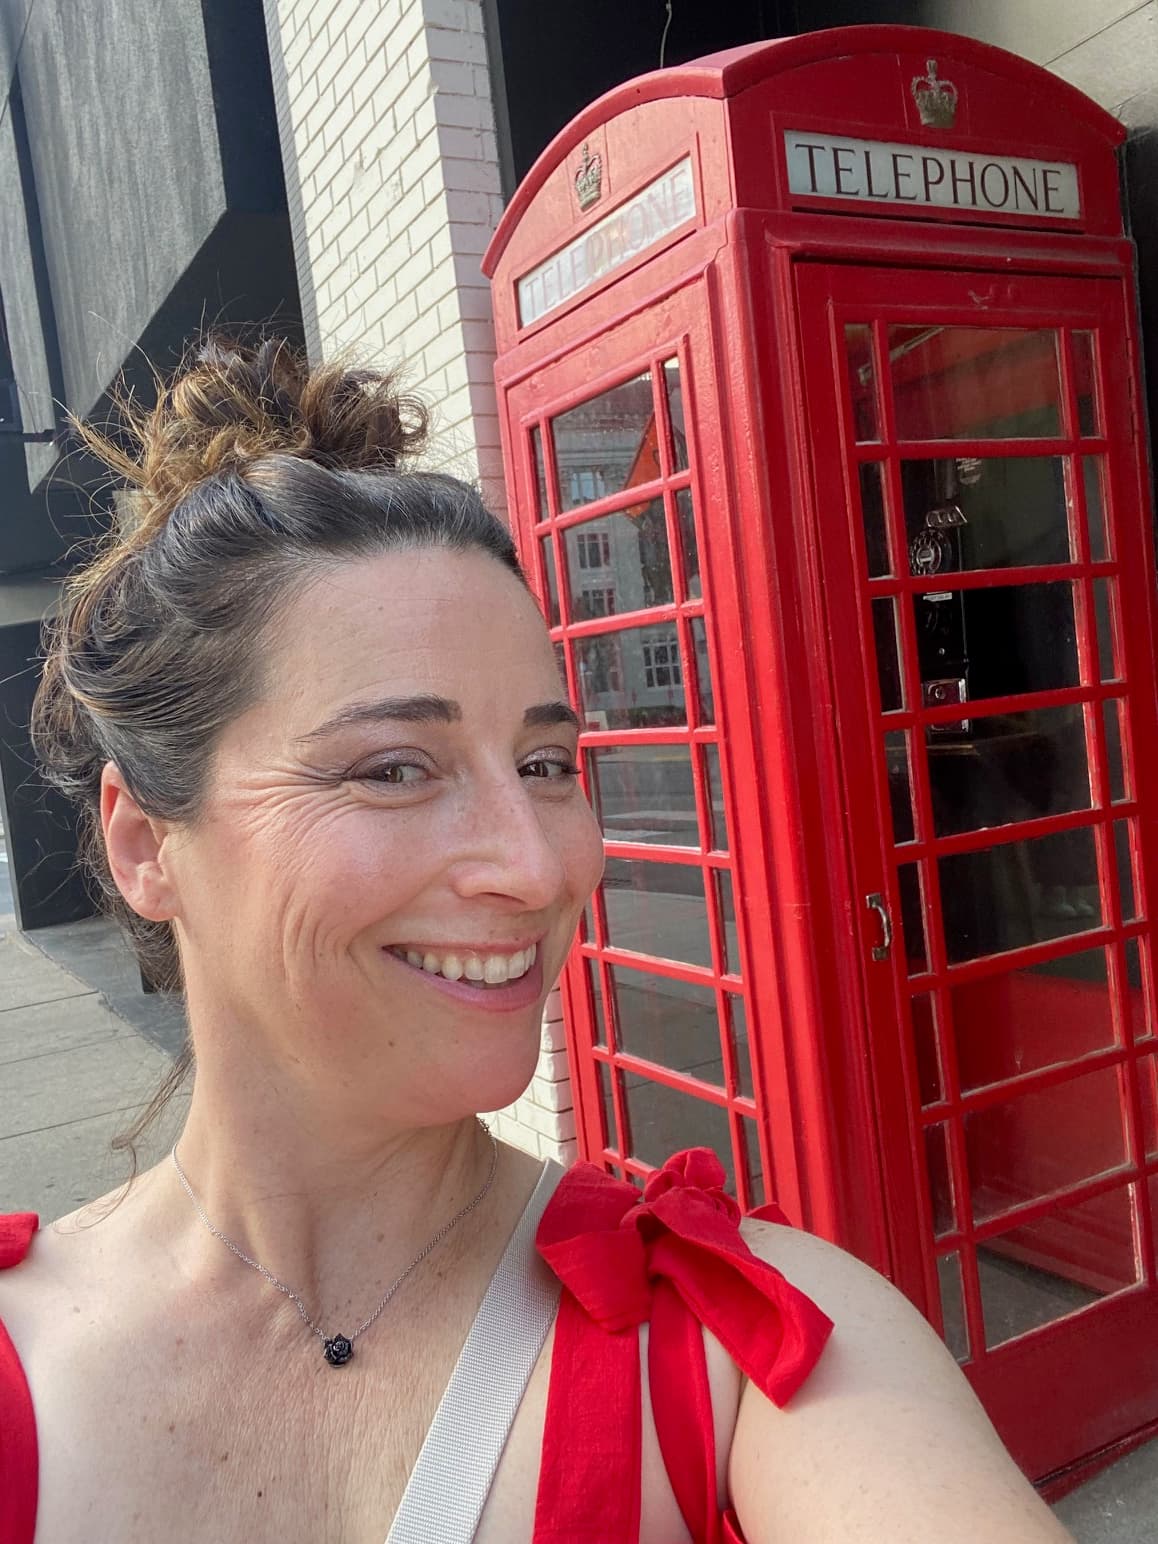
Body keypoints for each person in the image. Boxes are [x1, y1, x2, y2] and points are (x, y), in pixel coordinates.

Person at [0, 338, 1071, 1543]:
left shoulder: (743, 1349)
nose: (540, 863)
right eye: (395, 767)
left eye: (548, 764)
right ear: (146, 845)